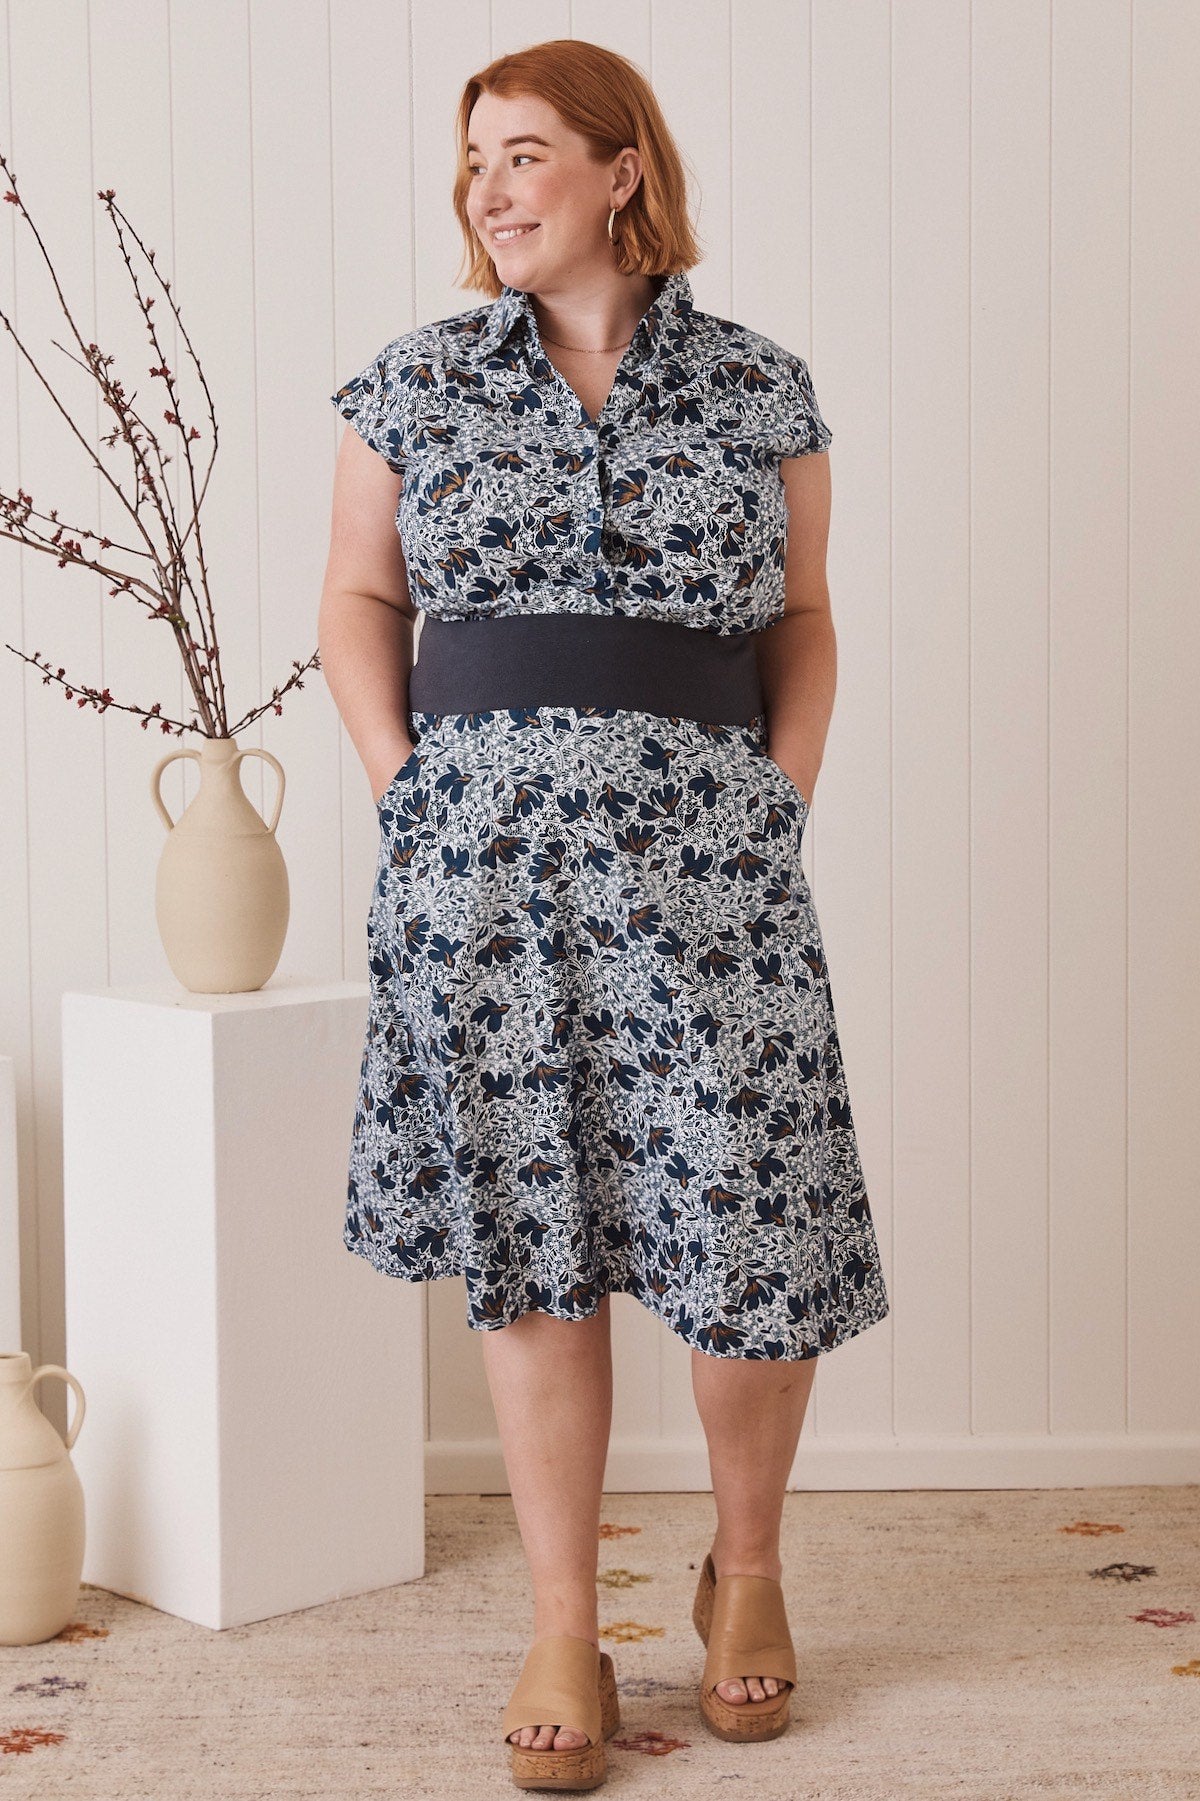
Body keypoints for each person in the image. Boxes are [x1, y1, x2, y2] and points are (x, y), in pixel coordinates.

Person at [319, 36, 889, 1792]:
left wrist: (779, 797)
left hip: (713, 872)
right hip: (482, 877)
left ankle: (747, 1570)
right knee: (534, 1248)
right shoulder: (414, 383)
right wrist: (403, 785)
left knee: (749, 1241)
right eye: (474, 160)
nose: (488, 188)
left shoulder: (760, 384)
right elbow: (357, 595)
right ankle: (564, 1616)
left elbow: (803, 615)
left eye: (523, 153)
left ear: (621, 168)